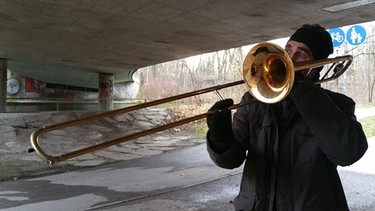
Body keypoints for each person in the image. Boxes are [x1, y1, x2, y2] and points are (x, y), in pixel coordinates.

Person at [206, 24, 368, 210]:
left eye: (301, 54)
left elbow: (347, 153)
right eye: (288, 49)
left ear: (316, 66)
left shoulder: (338, 104)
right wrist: (220, 139)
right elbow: (231, 160)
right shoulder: (254, 100)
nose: (290, 58)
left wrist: (300, 87)